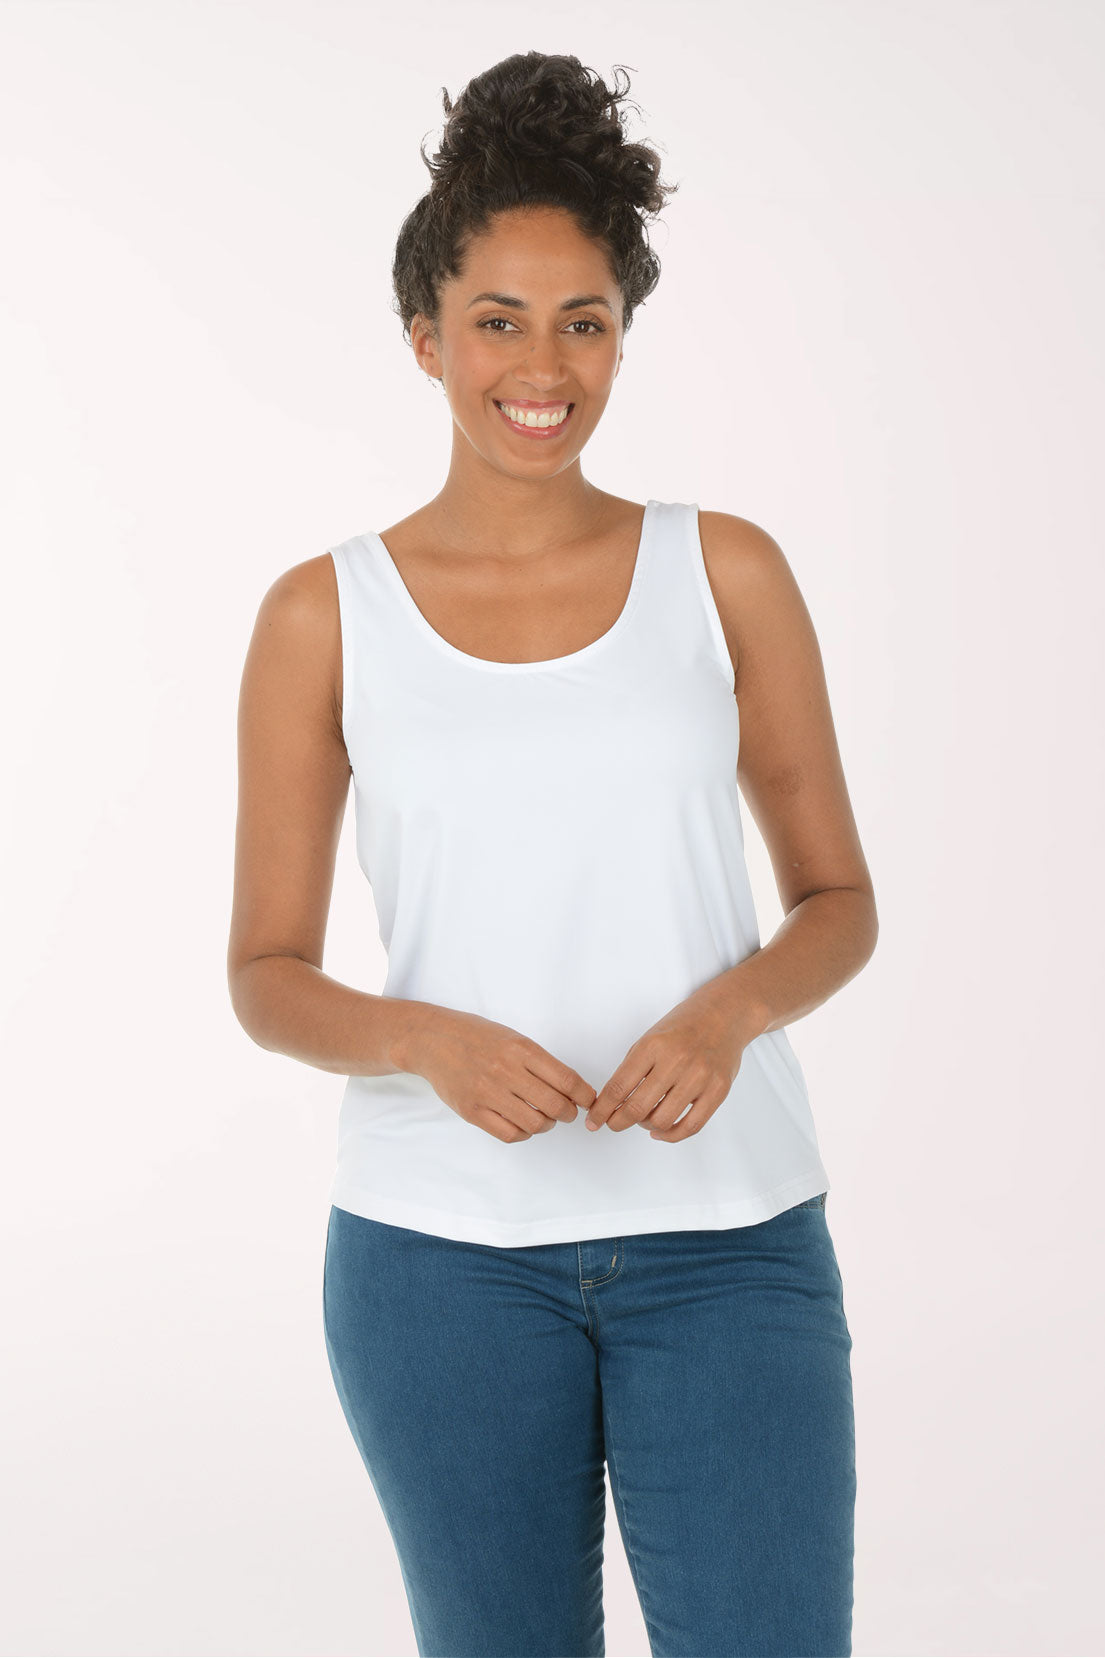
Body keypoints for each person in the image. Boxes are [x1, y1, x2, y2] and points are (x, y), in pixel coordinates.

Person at [228, 50, 877, 1658]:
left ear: (621, 335)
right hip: (437, 1263)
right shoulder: (324, 616)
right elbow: (263, 972)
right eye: (499, 320)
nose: (542, 363)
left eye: (582, 318)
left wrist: (726, 1013)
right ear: (425, 335)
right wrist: (413, 1037)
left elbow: (837, 901)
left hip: (727, 1244)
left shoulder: (722, 571)